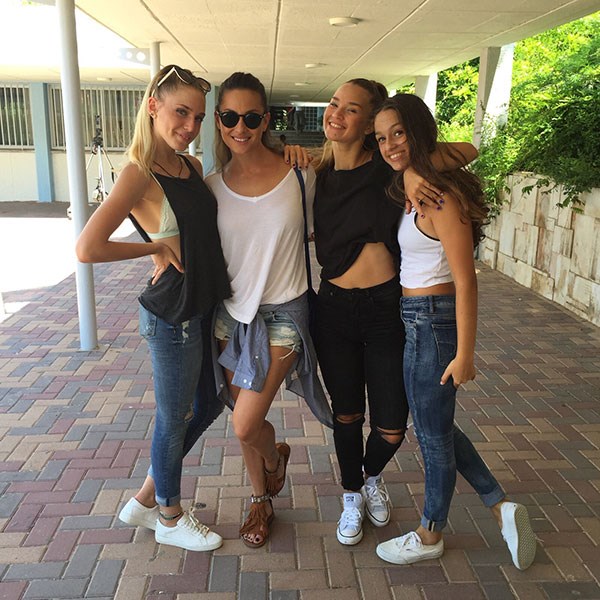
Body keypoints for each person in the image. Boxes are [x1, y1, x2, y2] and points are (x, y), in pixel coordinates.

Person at [311, 79, 479, 546]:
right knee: (346, 415)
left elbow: (468, 149)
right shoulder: (316, 173)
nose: (336, 114)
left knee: (391, 427)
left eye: (351, 109)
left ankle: (369, 478)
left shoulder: (388, 168)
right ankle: (352, 493)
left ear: (368, 123)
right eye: (333, 104)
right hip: (334, 311)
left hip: (387, 308)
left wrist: (412, 173)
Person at [372, 93, 537, 569]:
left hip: (432, 321)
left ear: (419, 131)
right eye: (381, 138)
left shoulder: (440, 198)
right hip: (417, 319)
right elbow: (456, 151)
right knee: (435, 425)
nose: (389, 145)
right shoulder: (418, 183)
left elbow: (466, 281)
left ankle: (430, 533)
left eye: (398, 133)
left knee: (431, 434)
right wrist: (412, 170)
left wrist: (465, 353)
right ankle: (500, 507)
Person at [76, 64, 231, 552]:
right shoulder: (137, 173)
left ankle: (147, 498)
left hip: (201, 304)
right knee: (174, 416)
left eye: (198, 117)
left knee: (208, 404)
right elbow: (88, 247)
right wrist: (154, 247)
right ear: (153, 106)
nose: (190, 126)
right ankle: (168, 515)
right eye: (181, 112)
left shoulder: (191, 168)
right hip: (171, 315)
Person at [205, 72, 332, 549]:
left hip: (283, 316)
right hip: (230, 317)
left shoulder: (300, 175)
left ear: (266, 120)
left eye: (251, 117)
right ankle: (261, 499)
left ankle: (275, 460)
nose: (240, 127)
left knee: (244, 422)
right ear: (218, 121)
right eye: (230, 117)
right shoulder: (211, 186)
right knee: (245, 420)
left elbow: (325, 223)